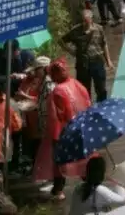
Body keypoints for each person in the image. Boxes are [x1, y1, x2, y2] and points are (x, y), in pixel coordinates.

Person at [33, 58, 92, 200]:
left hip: (63, 131)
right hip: (81, 127)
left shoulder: (58, 90)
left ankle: (58, 190)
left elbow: (57, 114)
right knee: (82, 158)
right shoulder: (76, 84)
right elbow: (88, 102)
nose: (51, 78)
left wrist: (54, 134)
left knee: (59, 162)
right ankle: (91, 184)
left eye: (52, 75)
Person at [65, 9, 112, 101]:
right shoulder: (75, 31)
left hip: (97, 60)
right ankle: (87, 109)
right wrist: (71, 51)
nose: (85, 23)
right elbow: (62, 41)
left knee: (101, 88)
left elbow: (104, 44)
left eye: (87, 20)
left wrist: (108, 61)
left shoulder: (99, 28)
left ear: (91, 19)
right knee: (84, 90)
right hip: (82, 63)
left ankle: (101, 108)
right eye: (83, 20)